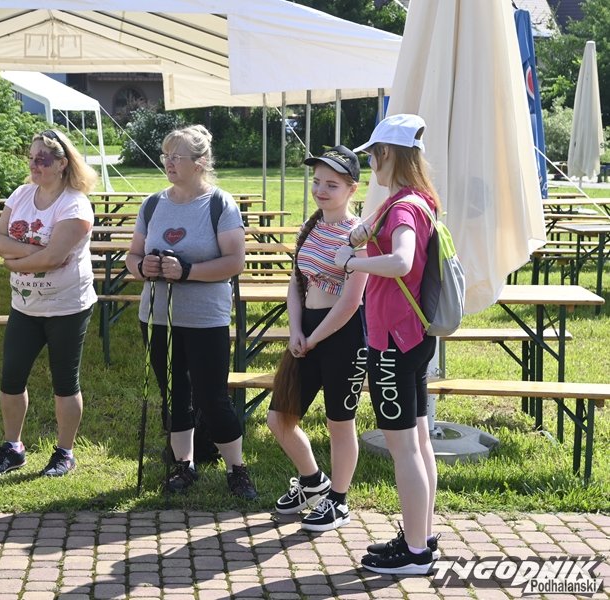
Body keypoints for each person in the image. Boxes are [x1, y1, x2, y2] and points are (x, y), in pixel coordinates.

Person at [124, 124, 258, 500]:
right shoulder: (153, 204)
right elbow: (132, 256)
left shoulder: (219, 204)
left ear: (199, 163)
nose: (168, 163)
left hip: (205, 318)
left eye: (176, 157)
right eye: (165, 156)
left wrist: (188, 271)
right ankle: (184, 466)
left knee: (212, 397)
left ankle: (237, 469)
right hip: (157, 317)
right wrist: (142, 267)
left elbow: (234, 262)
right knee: (173, 394)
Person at [334, 114, 440, 574]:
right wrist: (362, 235)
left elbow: (401, 261)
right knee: (418, 440)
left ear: (387, 154)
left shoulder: (402, 208)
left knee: (405, 448)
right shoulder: (415, 199)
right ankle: (422, 535)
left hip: (394, 341)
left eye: (374, 155)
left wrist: (353, 262)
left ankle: (415, 553)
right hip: (413, 336)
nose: (371, 164)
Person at [0, 129, 97, 478]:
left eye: (42, 160)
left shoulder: (75, 204)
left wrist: (14, 263)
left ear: (62, 164)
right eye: (31, 158)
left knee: (64, 381)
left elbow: (54, 258)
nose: (34, 165)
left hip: (67, 307)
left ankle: (65, 452)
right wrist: (33, 252)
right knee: (11, 376)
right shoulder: (21, 195)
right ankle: (13, 447)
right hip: (25, 306)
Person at [268, 146, 368, 531]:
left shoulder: (360, 237)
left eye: (332, 184)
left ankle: (338, 501)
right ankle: (312, 482)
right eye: (317, 182)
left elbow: (351, 302)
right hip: (306, 332)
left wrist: (313, 338)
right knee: (279, 418)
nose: (321, 190)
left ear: (352, 189)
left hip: (344, 337)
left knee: (339, 422)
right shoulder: (309, 228)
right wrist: (296, 331)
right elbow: (296, 285)